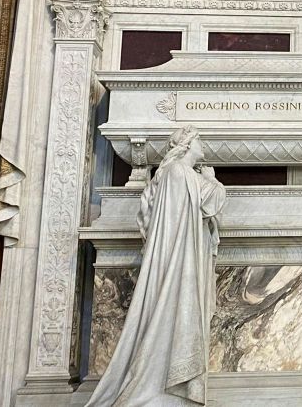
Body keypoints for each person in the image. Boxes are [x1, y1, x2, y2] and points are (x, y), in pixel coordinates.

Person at [87, 126, 227, 406]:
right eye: (198, 141)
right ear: (187, 145)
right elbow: (208, 202)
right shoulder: (180, 172)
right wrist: (213, 181)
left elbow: (151, 214)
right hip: (180, 259)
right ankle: (164, 388)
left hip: (177, 256)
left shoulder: (173, 173)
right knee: (175, 311)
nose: (202, 145)